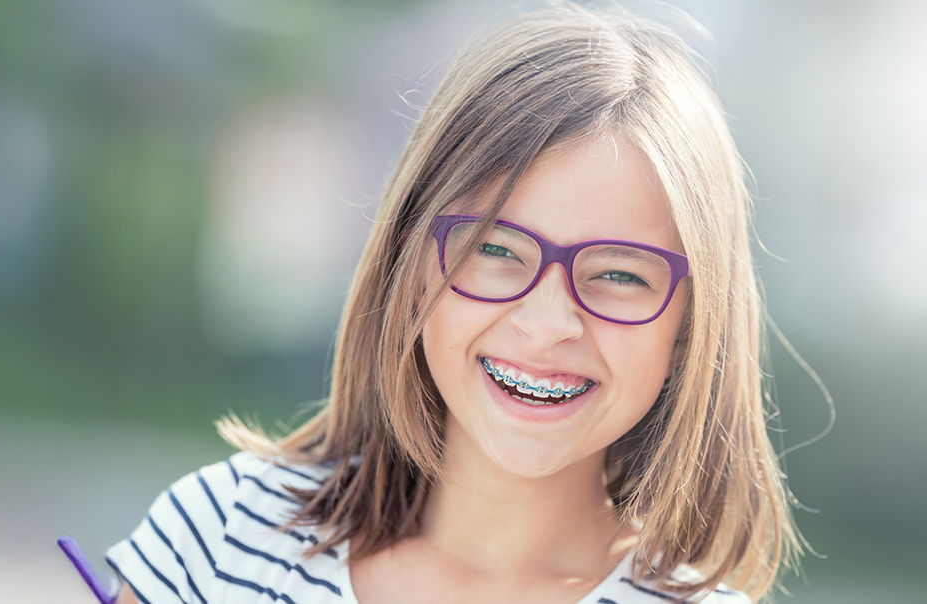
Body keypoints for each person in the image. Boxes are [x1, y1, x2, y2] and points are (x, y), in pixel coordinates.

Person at [104, 2, 804, 602]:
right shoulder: (224, 534)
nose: (549, 322)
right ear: (411, 270)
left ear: (688, 325)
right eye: (496, 251)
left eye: (619, 275)